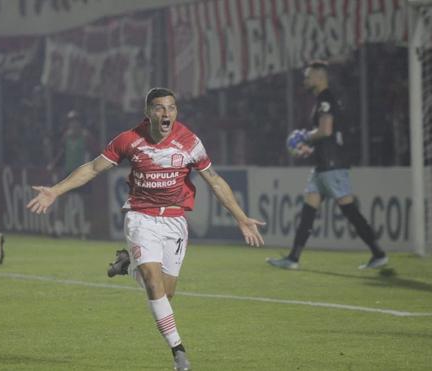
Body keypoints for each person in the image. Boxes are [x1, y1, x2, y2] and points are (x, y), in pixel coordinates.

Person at [27, 87, 265, 371]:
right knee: (153, 284)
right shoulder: (130, 140)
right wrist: (55, 191)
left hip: (175, 222)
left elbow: (214, 180)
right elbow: (92, 168)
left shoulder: (189, 142)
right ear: (148, 112)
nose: (166, 114)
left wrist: (241, 217)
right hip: (141, 218)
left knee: (165, 293)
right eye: (160, 108)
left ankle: (128, 265)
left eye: (172, 108)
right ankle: (179, 353)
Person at [267, 61, 388, 270]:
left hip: (333, 166)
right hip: (323, 163)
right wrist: (309, 149)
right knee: (308, 211)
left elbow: (326, 130)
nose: (305, 80)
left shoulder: (325, 99)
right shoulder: (323, 100)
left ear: (319, 77)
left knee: (349, 210)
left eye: (308, 76)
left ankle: (378, 253)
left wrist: (304, 137)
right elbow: (327, 138)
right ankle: (293, 258)